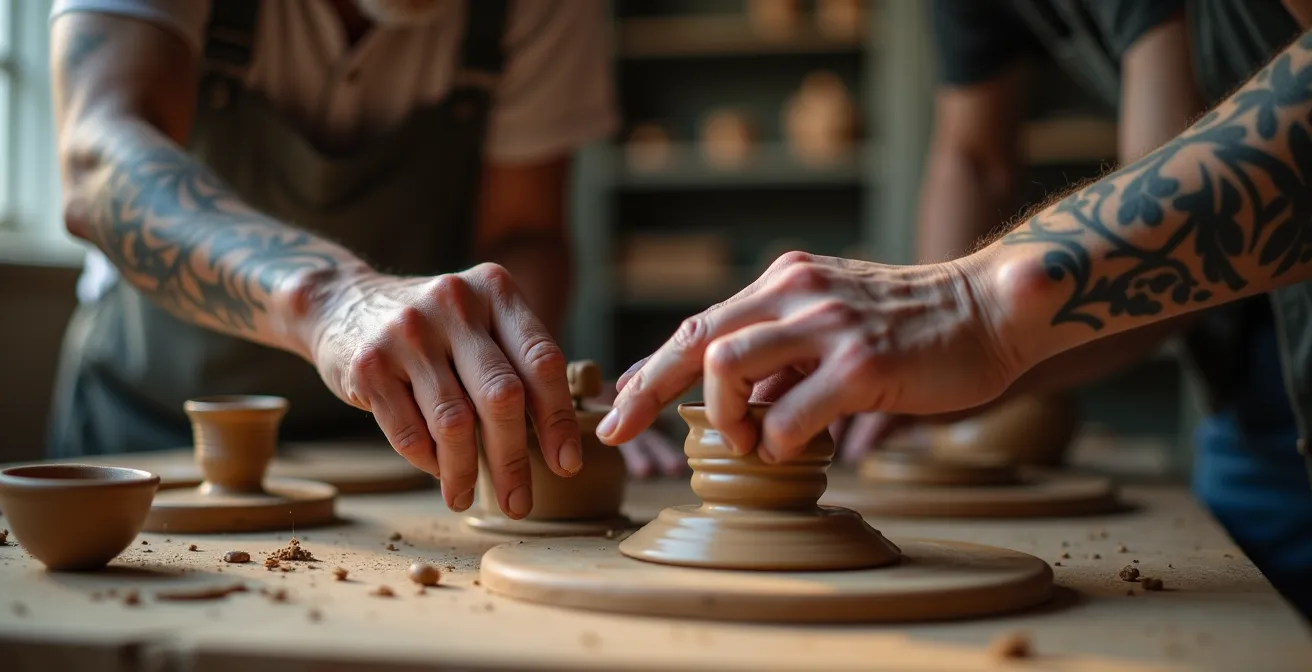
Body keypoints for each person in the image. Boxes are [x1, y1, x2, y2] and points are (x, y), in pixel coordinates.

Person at [599, 1, 1312, 617]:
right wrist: (909, 379)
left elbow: (1169, 237)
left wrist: (977, 305)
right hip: (1249, 377)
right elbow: (972, 156)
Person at [45, 0, 677, 524]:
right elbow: (98, 163)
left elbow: (523, 232)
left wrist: (532, 402)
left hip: (394, 453)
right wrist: (334, 301)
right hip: (145, 428)